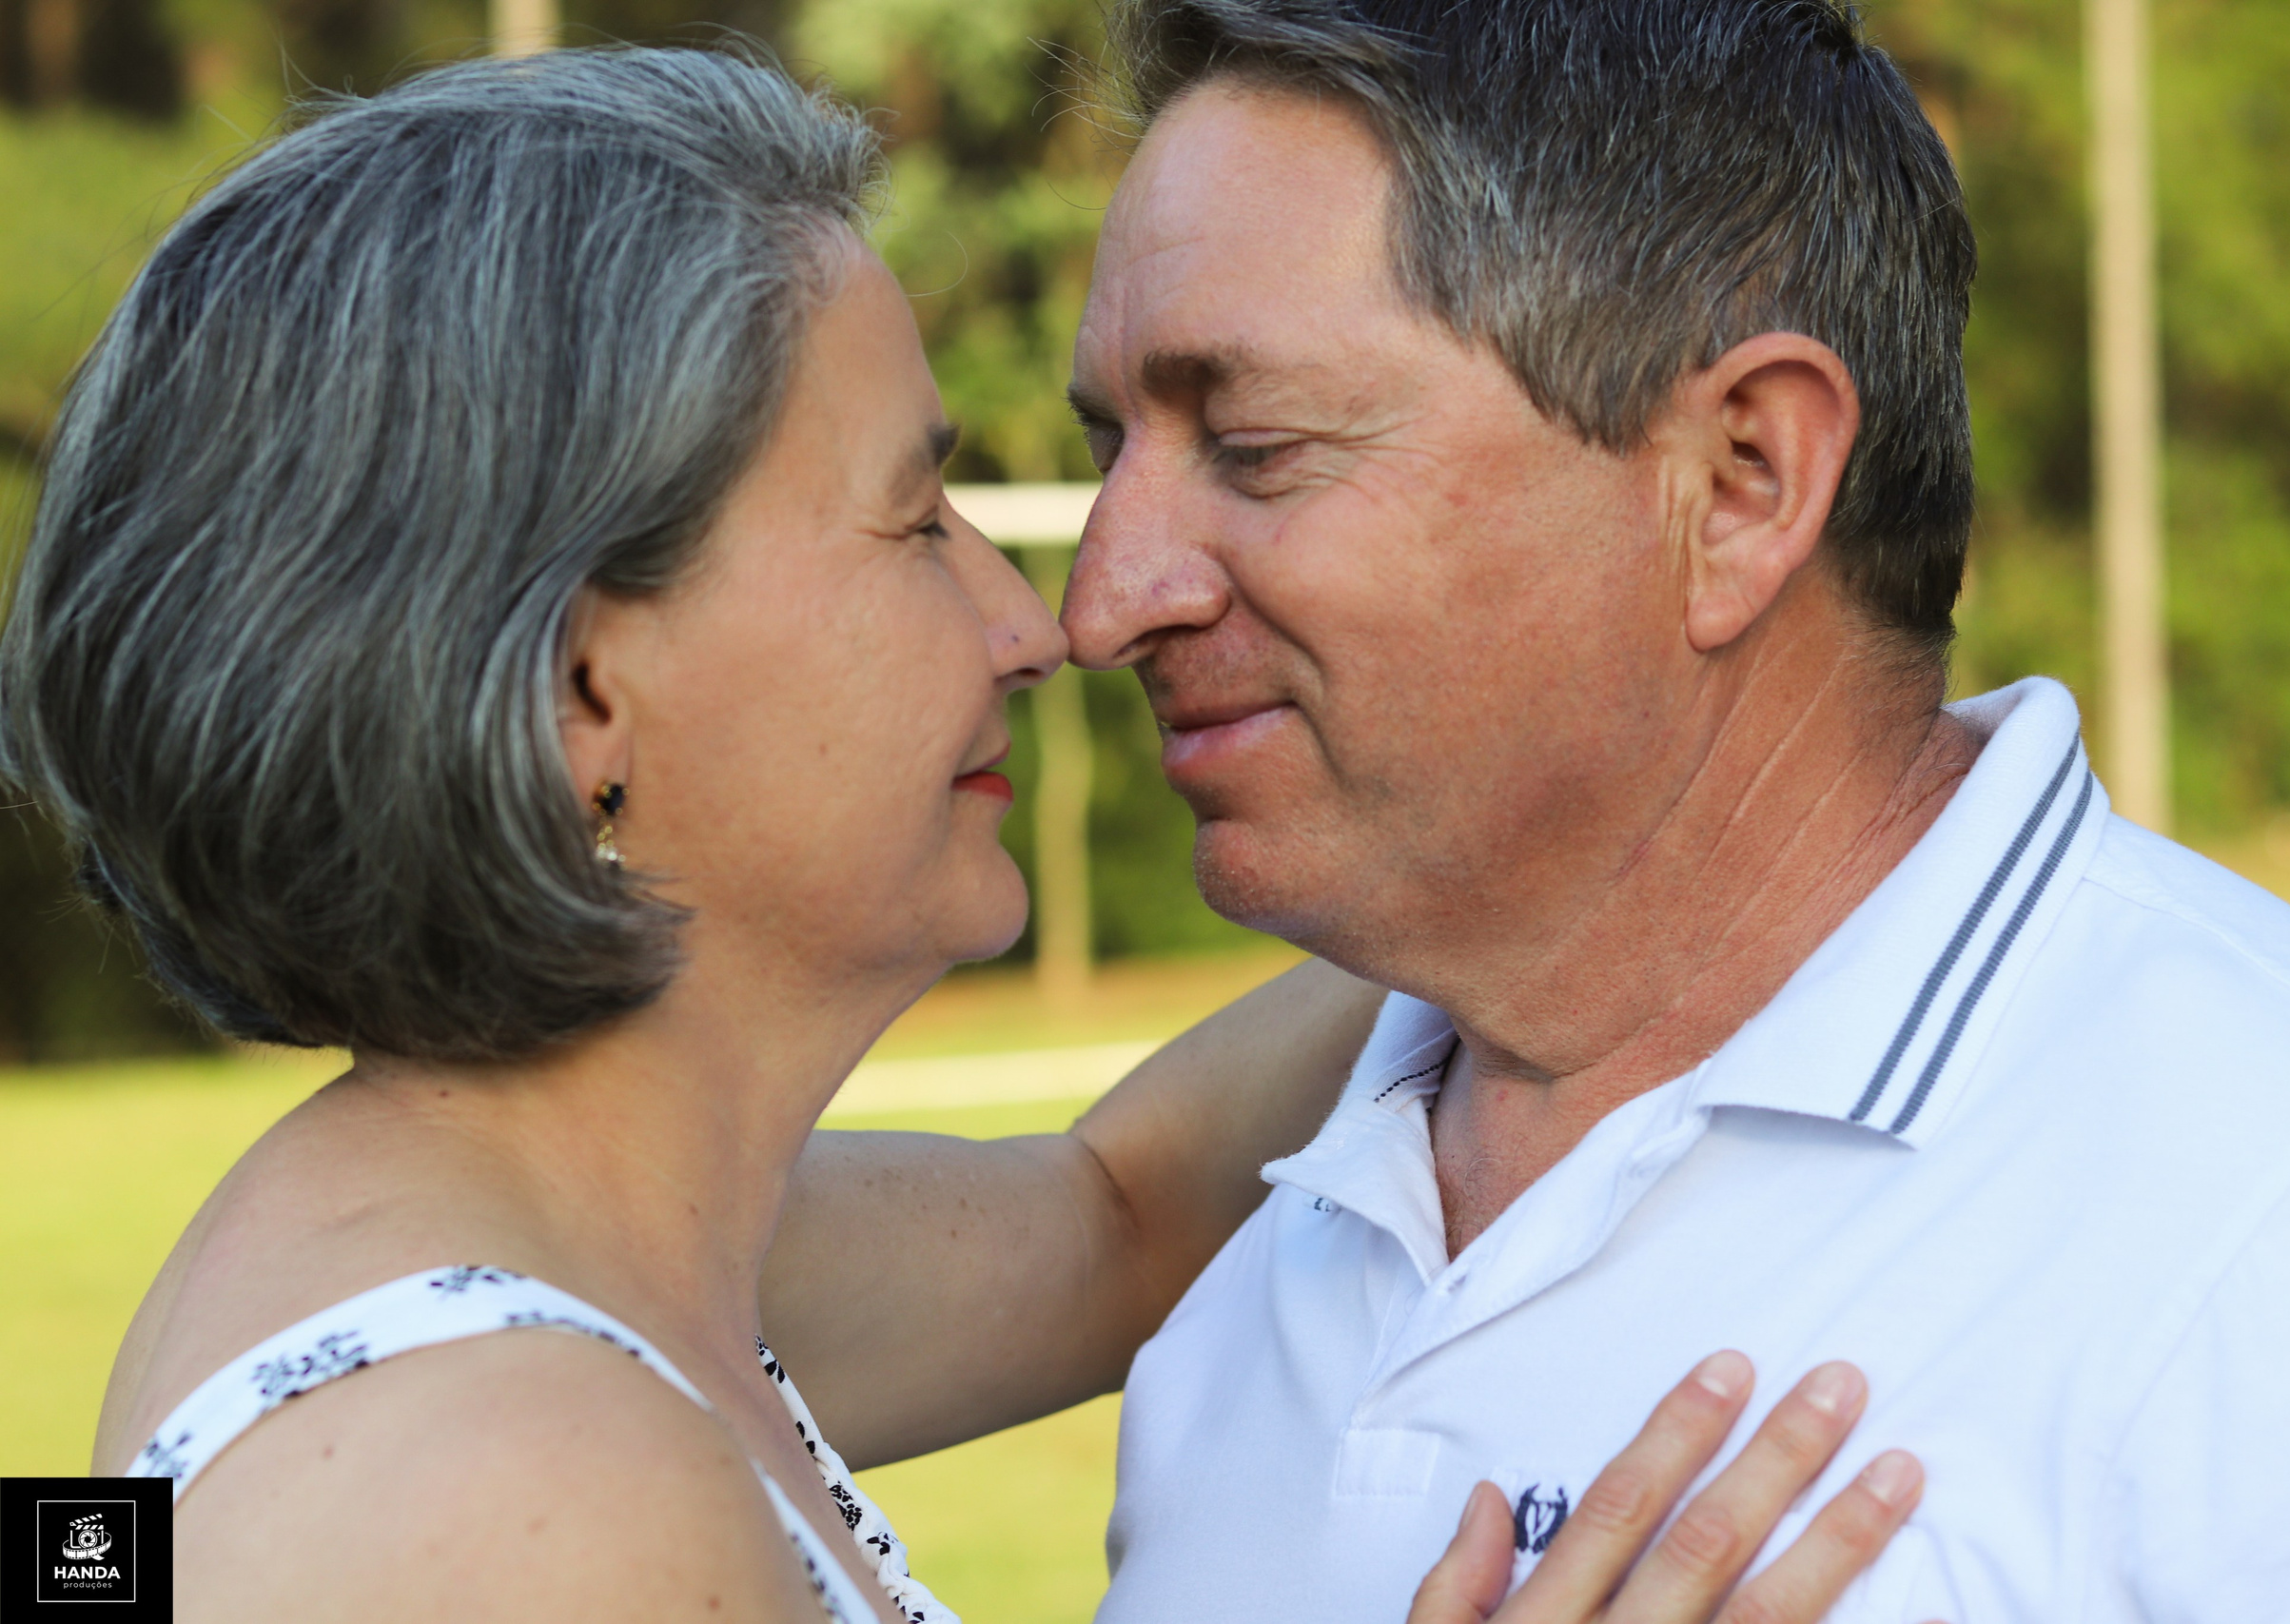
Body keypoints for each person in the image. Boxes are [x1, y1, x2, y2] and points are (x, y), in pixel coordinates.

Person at [2, 46, 1926, 1624]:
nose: (1042, 625)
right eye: (914, 521)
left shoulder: (600, 1243)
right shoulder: (516, 1501)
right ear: (587, 689)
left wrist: (1703, 725)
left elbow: (1119, 1214)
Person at [1013, 0, 2290, 1619]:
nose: (1103, 600)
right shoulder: (1261, 1265)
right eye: (1111, 448)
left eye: (1254, 448)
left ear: (1742, 481)